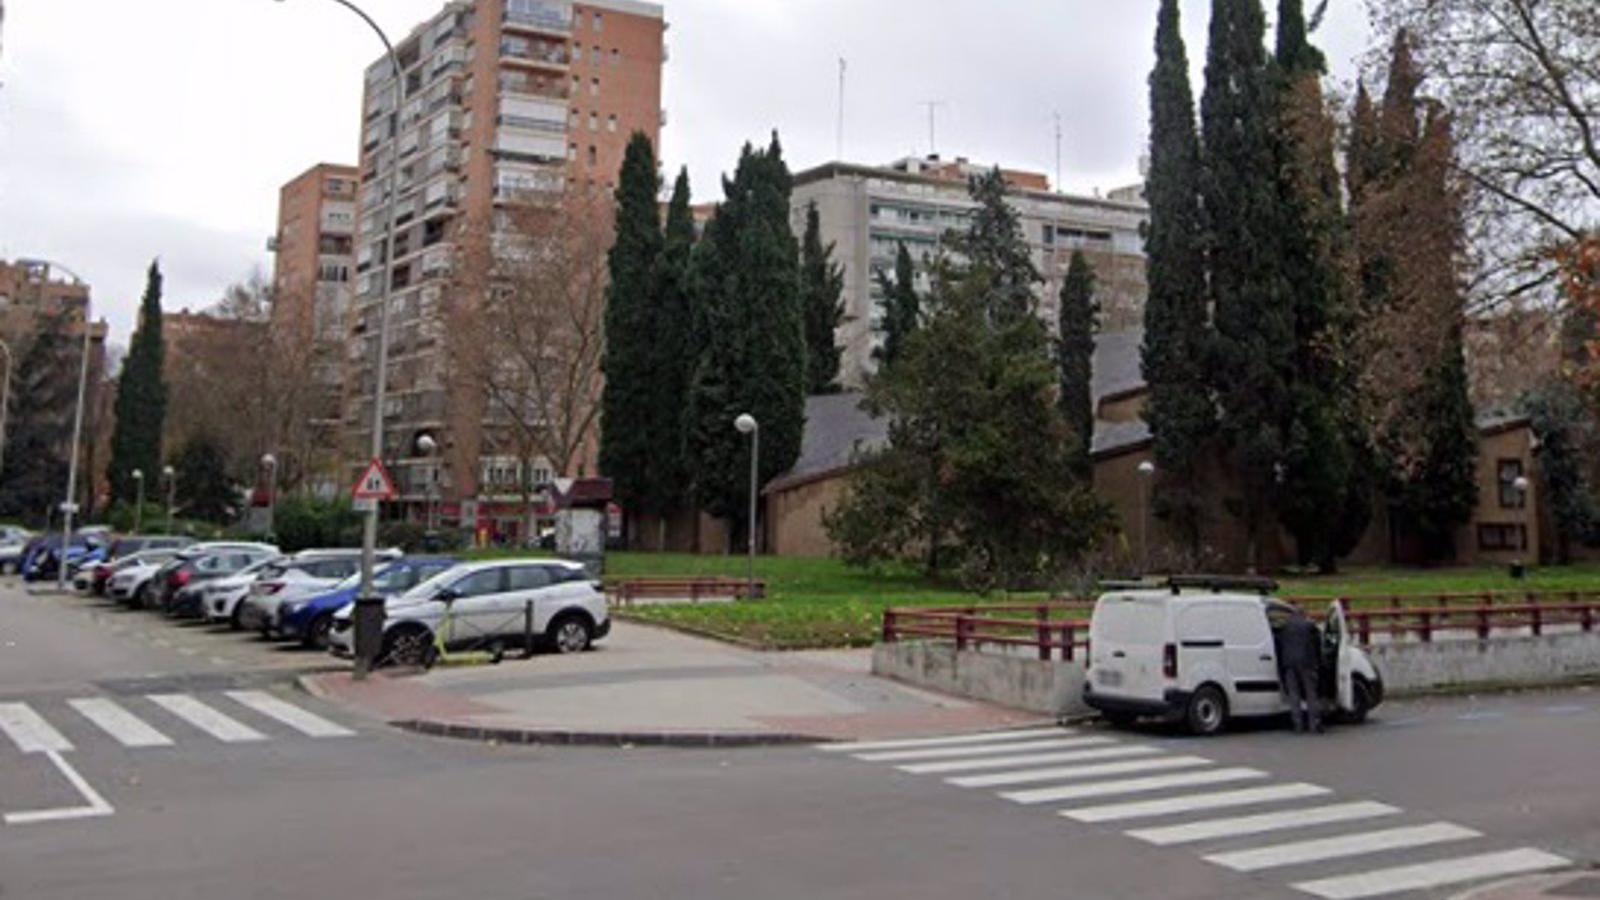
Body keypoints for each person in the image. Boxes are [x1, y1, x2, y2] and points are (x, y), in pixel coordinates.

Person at [1273, 608, 1324, 734]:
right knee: (1311, 693)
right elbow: (1318, 645)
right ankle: (1314, 724)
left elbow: (1278, 645)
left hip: (1289, 663)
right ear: (1304, 615)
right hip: (1307, 663)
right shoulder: (1310, 627)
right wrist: (1318, 662)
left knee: (1294, 694)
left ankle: (1297, 725)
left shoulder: (1284, 627)